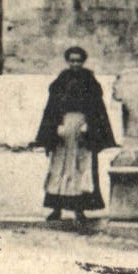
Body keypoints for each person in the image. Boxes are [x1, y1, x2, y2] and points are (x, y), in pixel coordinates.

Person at [34, 46, 117, 222]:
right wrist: (55, 126)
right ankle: (56, 209)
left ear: (83, 61)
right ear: (67, 61)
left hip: (82, 130)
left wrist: (90, 124)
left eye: (78, 61)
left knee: (81, 166)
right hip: (63, 129)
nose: (75, 64)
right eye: (72, 60)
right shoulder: (61, 80)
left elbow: (96, 108)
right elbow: (52, 107)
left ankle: (79, 209)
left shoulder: (90, 81)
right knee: (60, 166)